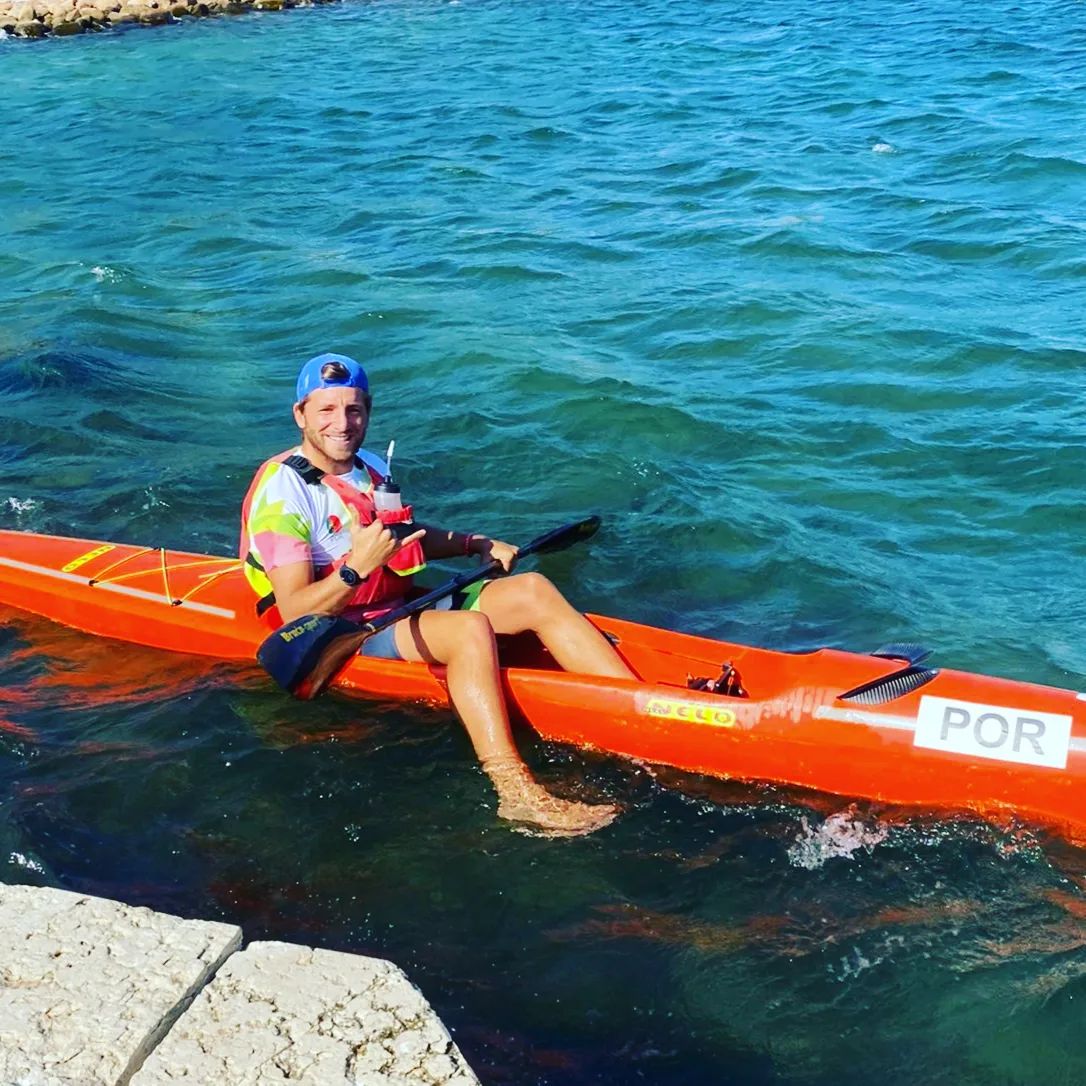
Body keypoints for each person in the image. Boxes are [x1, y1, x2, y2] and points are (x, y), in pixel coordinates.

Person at [240, 352, 638, 836]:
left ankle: (638, 713)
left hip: (391, 603)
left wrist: (475, 543)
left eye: (354, 409)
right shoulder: (283, 491)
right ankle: (515, 793)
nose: (342, 424)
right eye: (325, 410)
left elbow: (406, 534)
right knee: (469, 629)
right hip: (334, 628)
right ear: (300, 414)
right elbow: (293, 612)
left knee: (532, 590)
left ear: (368, 410)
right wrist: (356, 569)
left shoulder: (367, 466)